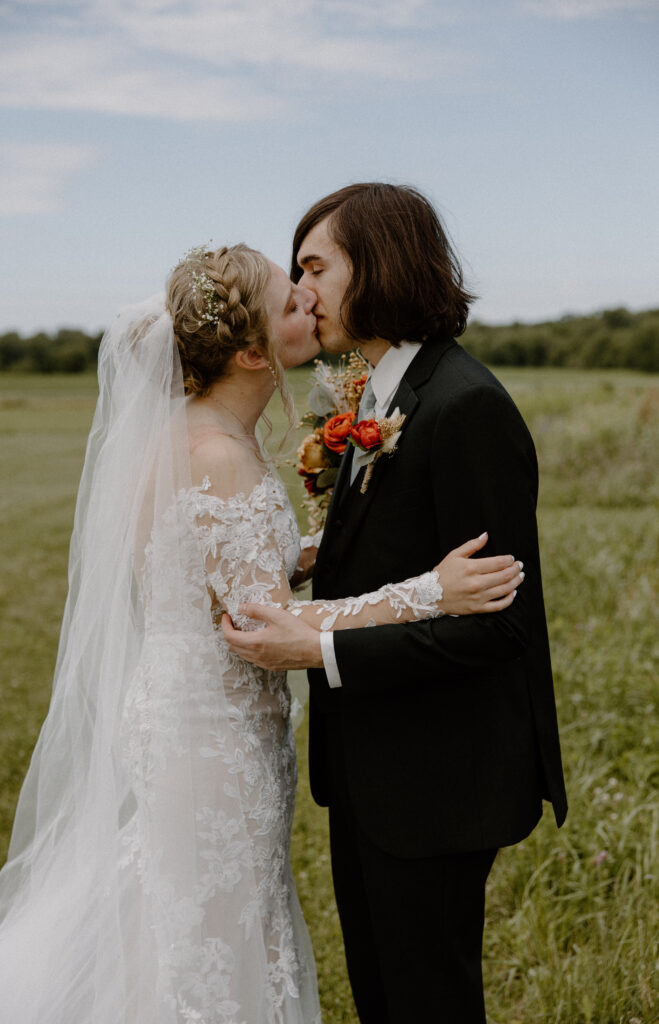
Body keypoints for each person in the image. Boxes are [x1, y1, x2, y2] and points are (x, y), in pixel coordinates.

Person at [0, 241, 523, 1024]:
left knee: (187, 918)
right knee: (201, 935)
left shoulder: (204, 437)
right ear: (249, 351)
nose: (310, 300)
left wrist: (324, 547)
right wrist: (429, 591)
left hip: (203, 719)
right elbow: (261, 623)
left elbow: (226, 578)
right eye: (290, 300)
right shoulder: (215, 457)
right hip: (208, 735)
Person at [223, 184, 568, 1024]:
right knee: (384, 996)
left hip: (437, 779)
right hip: (374, 768)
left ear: (379, 261)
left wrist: (322, 651)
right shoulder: (371, 397)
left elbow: (501, 626)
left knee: (427, 1002)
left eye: (315, 266)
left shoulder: (465, 405)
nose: (300, 294)